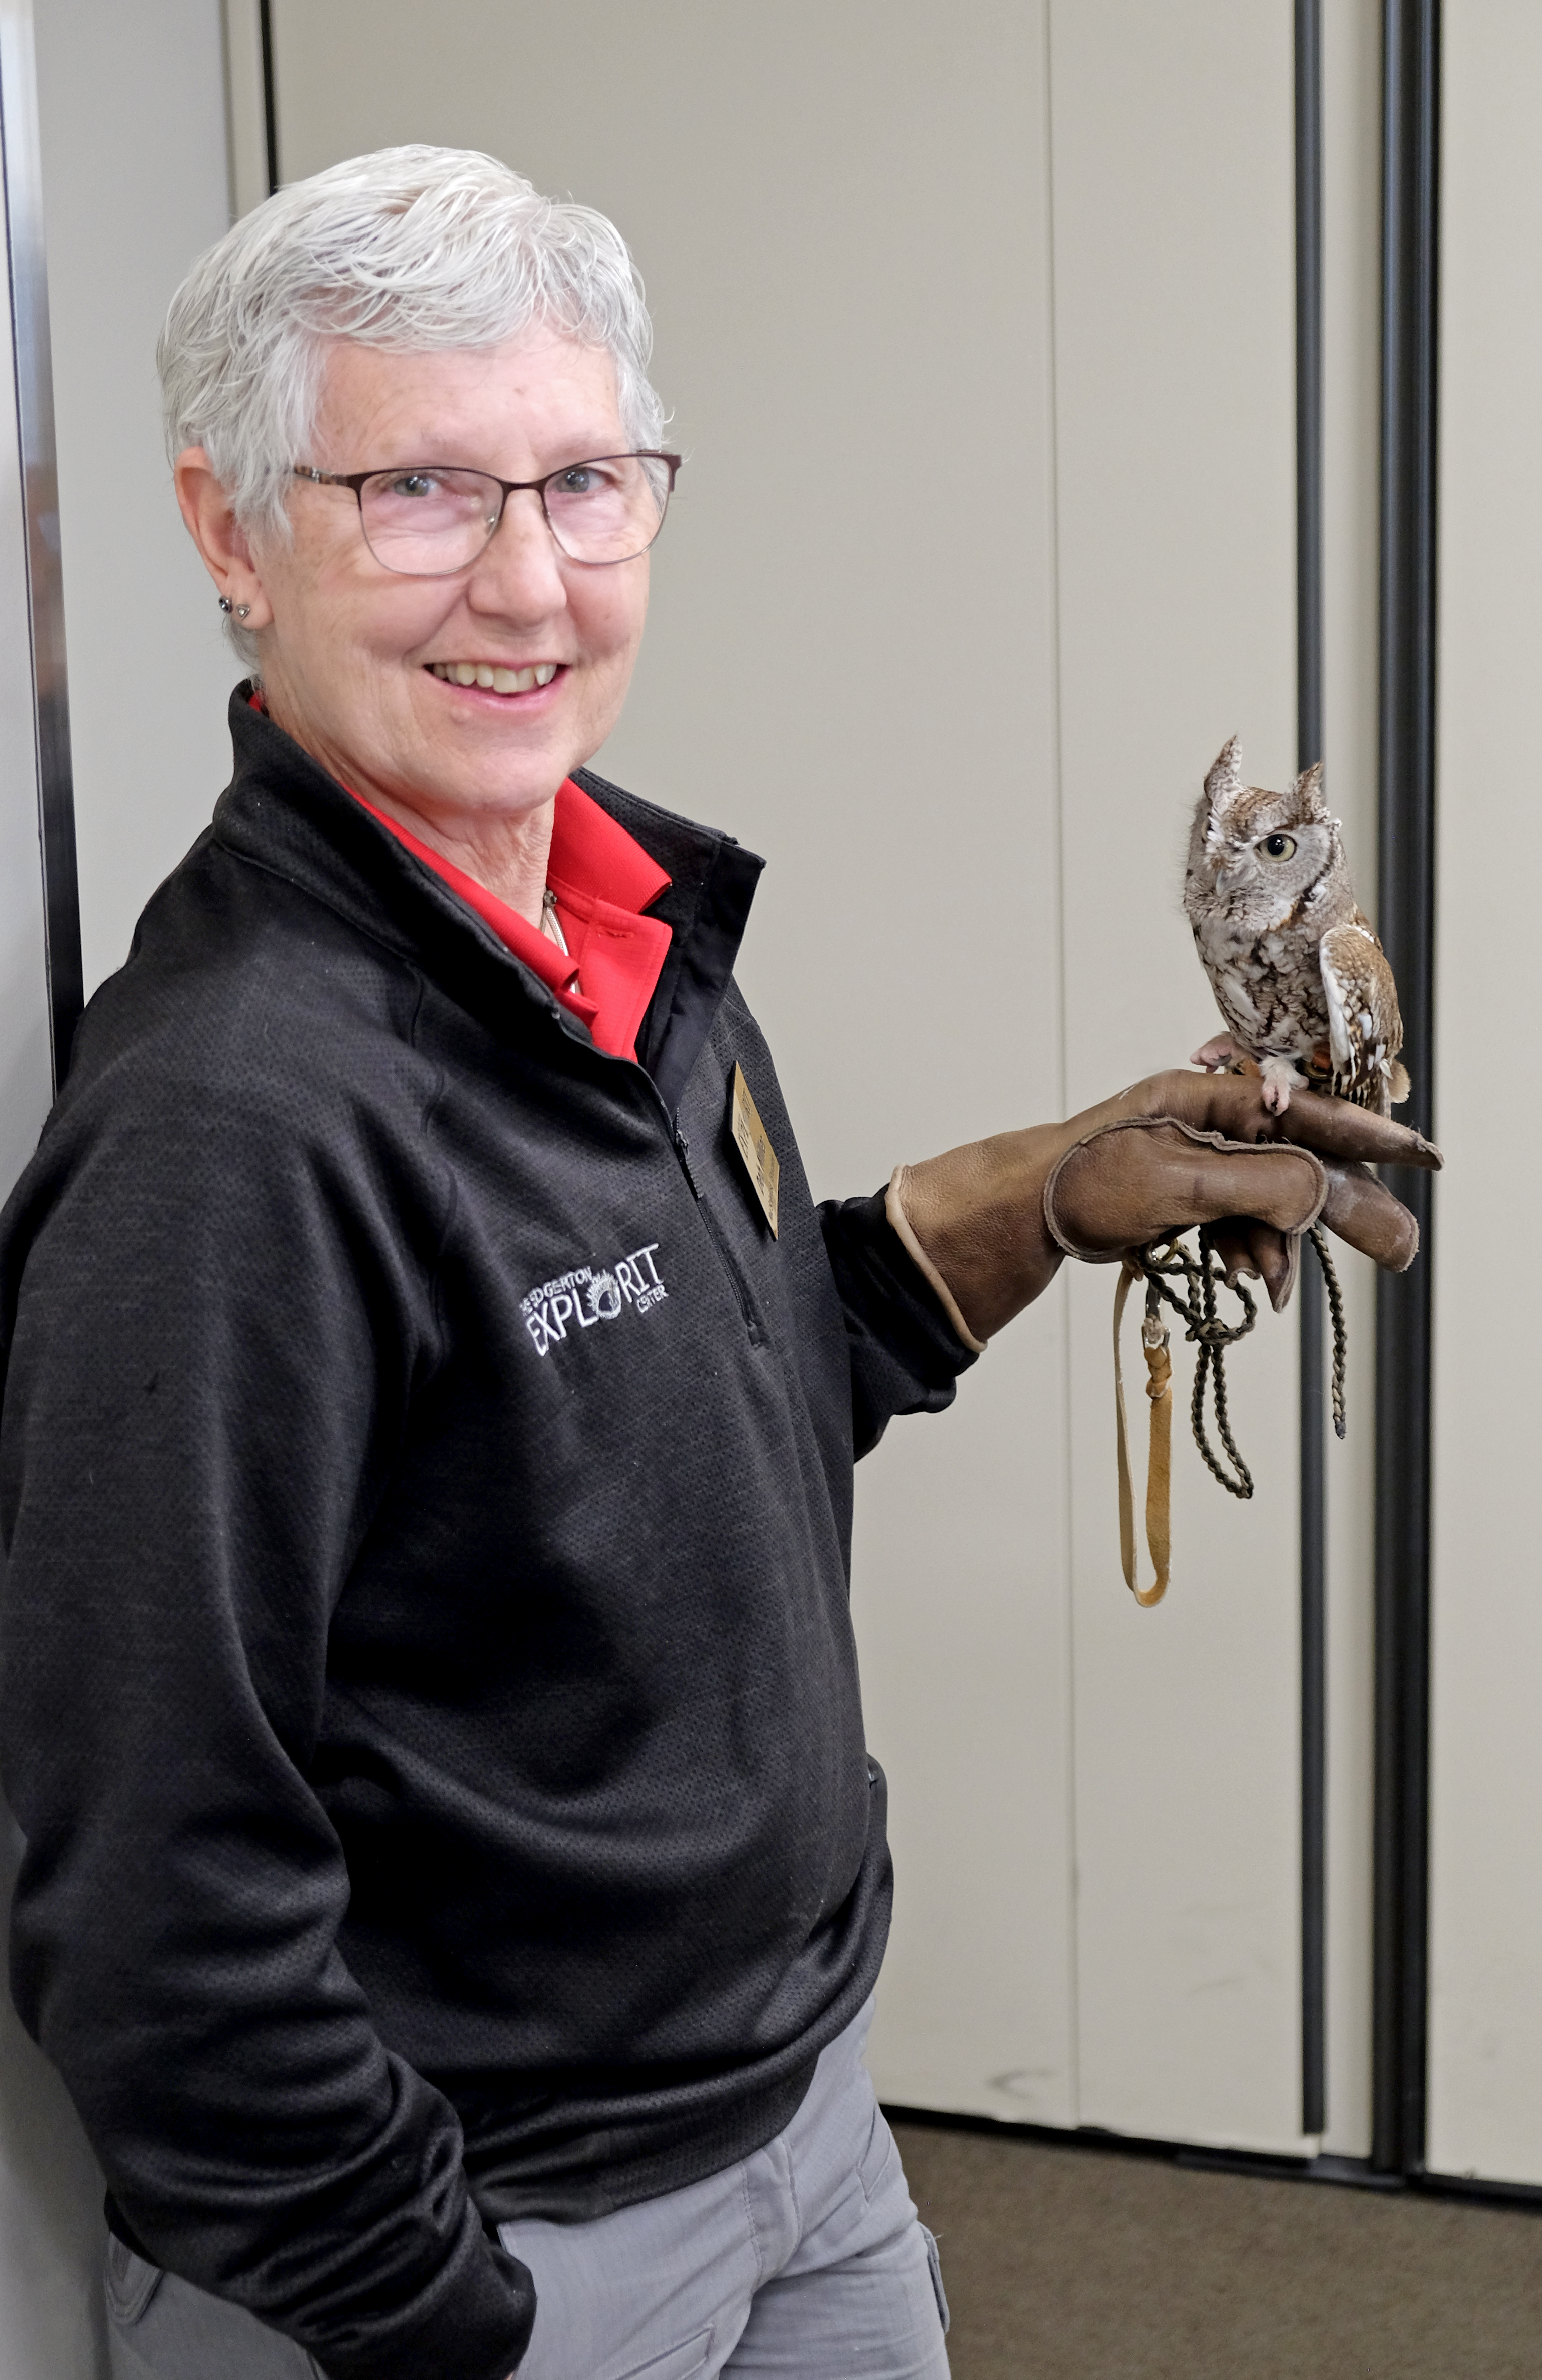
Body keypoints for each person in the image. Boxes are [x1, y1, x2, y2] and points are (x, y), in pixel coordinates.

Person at [0, 148, 1436, 2380]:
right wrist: (436, 2311)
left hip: (797, 2138)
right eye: (418, 491)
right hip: (497, 2247)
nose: (528, 579)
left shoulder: (623, 934)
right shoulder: (231, 1129)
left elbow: (687, 1395)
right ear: (225, 532)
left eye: (585, 482)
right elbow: (151, 1881)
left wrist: (1041, 1196)